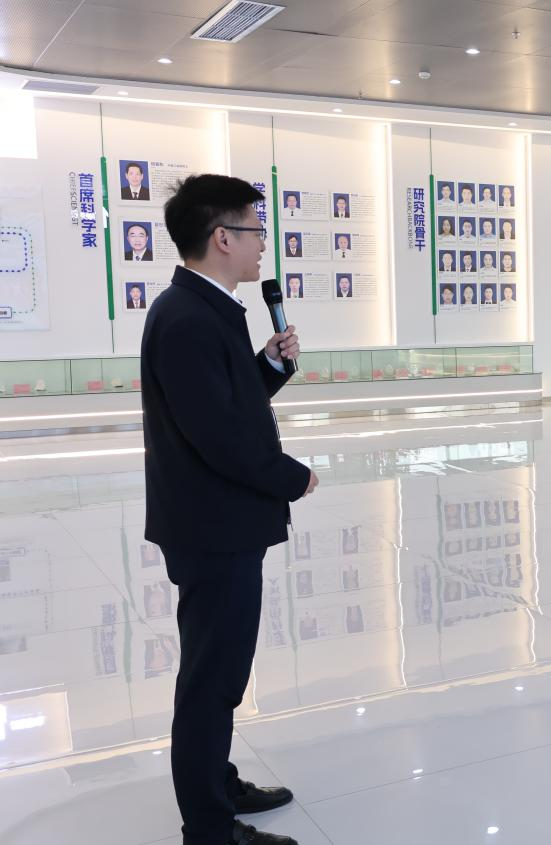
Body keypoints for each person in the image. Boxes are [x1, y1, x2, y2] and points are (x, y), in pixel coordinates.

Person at [141, 174, 316, 845]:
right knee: (211, 679)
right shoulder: (188, 318)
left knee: (219, 672)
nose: (262, 244)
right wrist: (290, 477)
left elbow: (225, 404)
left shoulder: (205, 308)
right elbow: (218, 436)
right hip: (212, 526)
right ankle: (210, 826)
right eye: (255, 231)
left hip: (216, 522)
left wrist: (265, 368)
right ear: (222, 237)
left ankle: (216, 780)